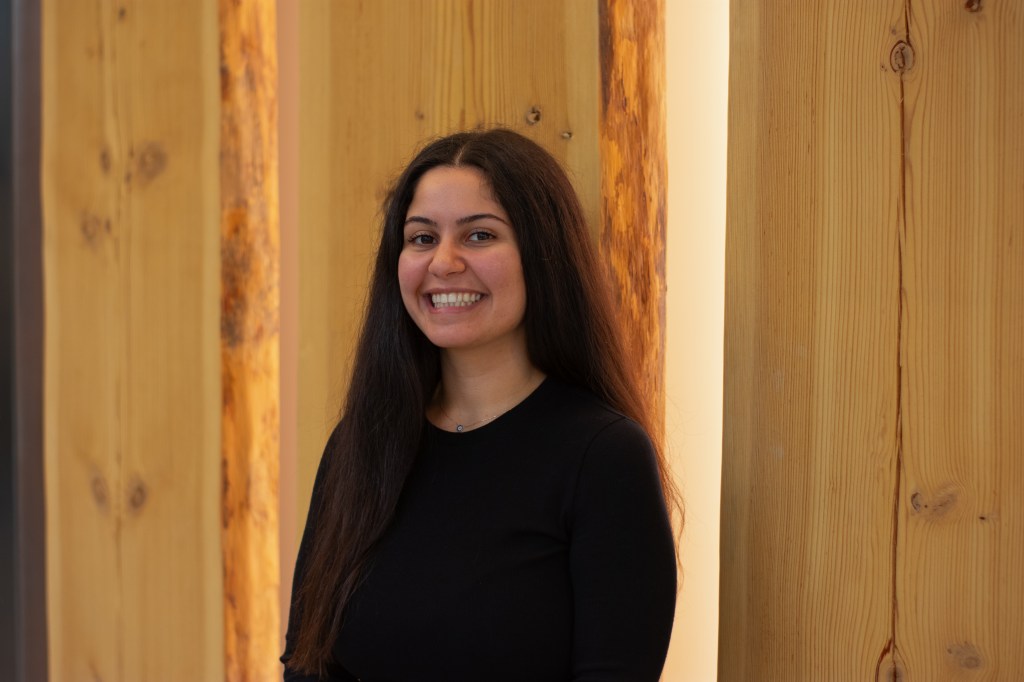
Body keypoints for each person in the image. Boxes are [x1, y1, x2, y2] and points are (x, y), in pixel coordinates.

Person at [282, 128, 679, 681]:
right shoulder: (361, 442)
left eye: (479, 235)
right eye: (422, 238)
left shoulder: (604, 457)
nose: (443, 262)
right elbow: (308, 665)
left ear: (543, 255)